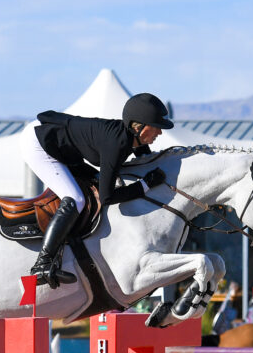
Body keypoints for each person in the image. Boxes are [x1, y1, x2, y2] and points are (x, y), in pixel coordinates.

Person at [21, 93, 173, 288]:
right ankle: (42, 264)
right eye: (157, 128)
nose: (159, 133)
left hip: (63, 145)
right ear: (138, 126)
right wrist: (144, 185)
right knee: (76, 199)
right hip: (39, 143)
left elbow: (146, 158)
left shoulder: (131, 139)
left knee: (91, 183)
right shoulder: (116, 145)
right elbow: (107, 196)